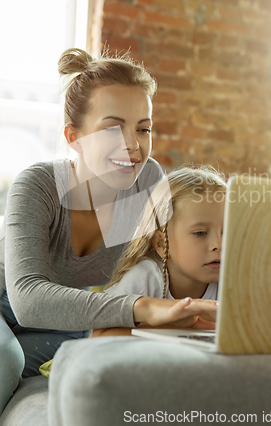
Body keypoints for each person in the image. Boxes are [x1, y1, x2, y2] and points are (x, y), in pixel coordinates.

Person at [0, 48, 217, 414]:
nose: (132, 145)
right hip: (9, 306)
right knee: (7, 363)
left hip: (72, 319)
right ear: (73, 136)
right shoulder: (37, 185)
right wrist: (143, 307)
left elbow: (170, 262)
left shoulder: (148, 182)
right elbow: (28, 300)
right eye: (112, 128)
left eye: (143, 128)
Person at [99, 166, 226, 306]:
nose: (219, 244)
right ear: (162, 243)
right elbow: (100, 327)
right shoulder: (144, 279)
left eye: (226, 231)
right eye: (200, 233)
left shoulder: (232, 283)